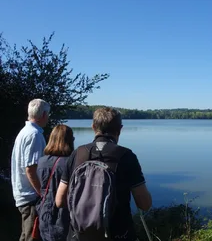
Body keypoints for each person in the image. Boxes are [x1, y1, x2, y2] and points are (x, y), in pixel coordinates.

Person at [55, 107, 152, 241]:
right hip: (118, 234)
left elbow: (59, 201)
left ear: (93, 127)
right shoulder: (126, 156)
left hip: (79, 235)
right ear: (120, 129)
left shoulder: (77, 153)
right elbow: (144, 204)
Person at [11, 98, 50, 241]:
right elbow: (31, 168)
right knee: (31, 237)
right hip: (30, 196)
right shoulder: (34, 135)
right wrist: (42, 193)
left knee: (26, 235)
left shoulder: (25, 132)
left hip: (23, 193)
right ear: (44, 115)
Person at [36, 124, 75, 241]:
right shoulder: (70, 163)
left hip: (44, 212)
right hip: (63, 215)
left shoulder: (42, 161)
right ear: (69, 140)